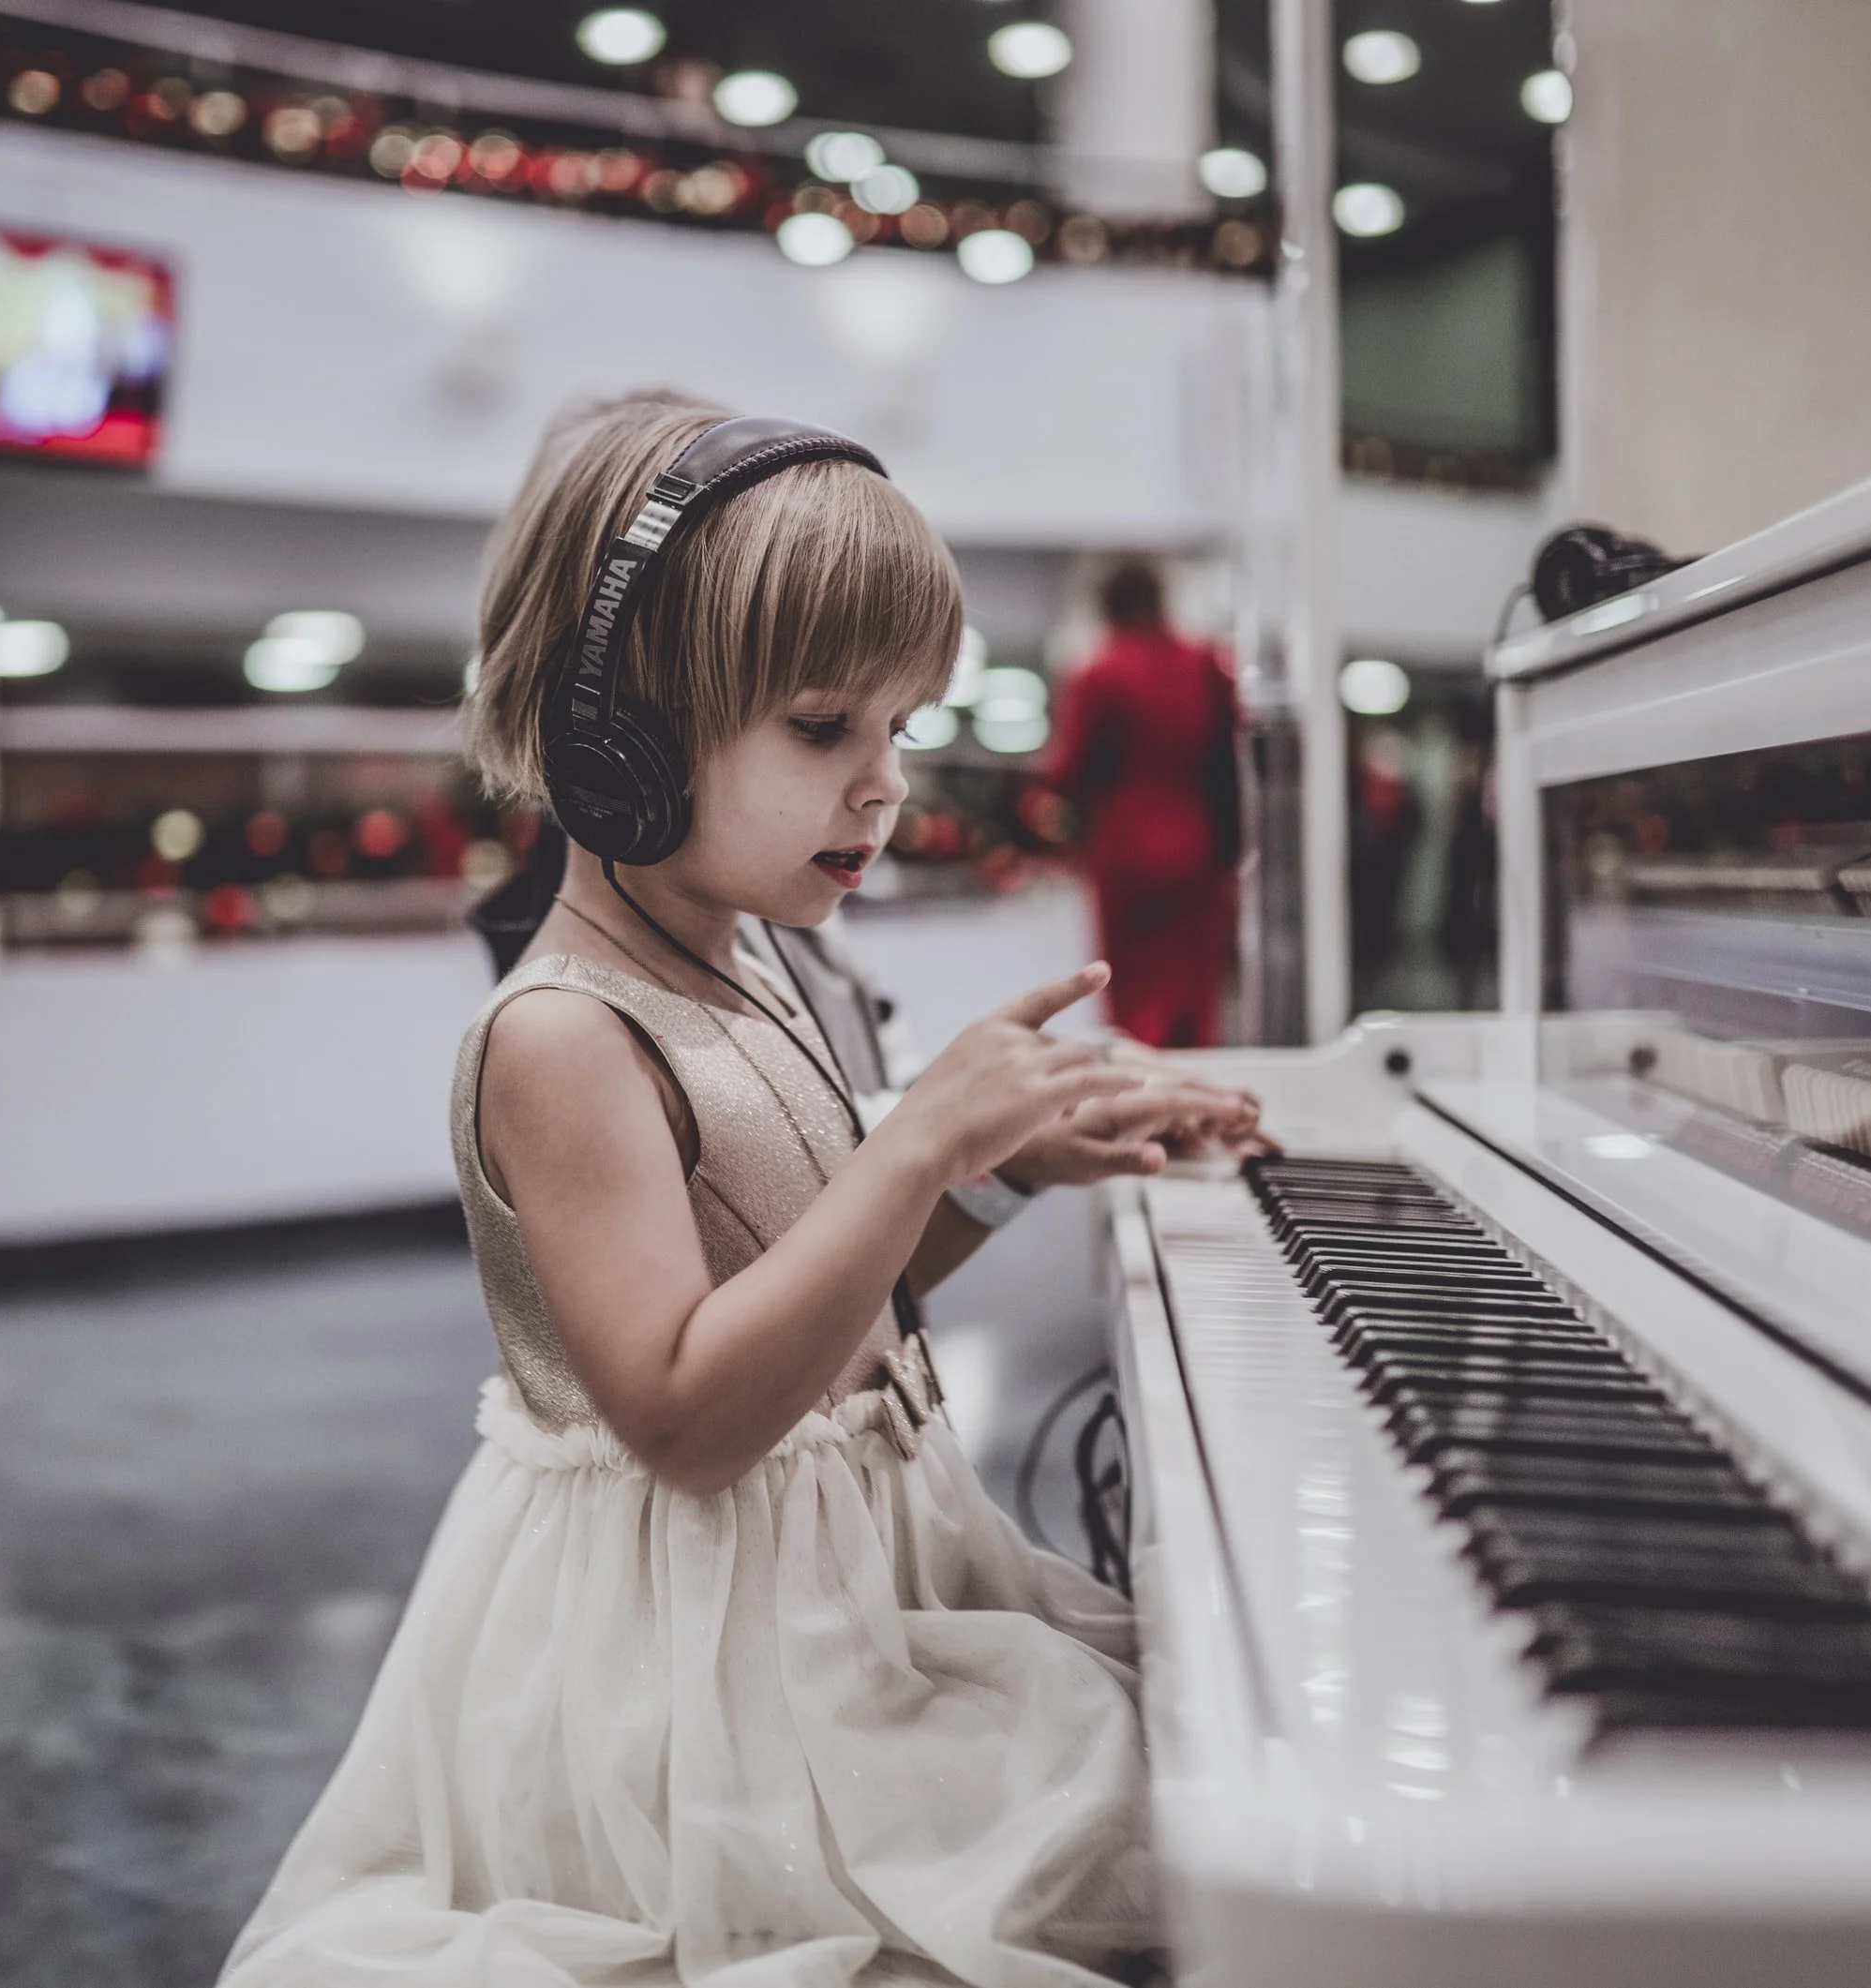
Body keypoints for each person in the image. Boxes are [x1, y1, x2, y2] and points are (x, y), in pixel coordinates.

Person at [220, 392, 1261, 1987]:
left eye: (902, 729)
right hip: (701, 1677)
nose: (885, 788)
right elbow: (690, 1413)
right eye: (825, 727)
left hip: (844, 1590)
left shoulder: (762, 959)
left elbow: (823, 1300)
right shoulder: (565, 1036)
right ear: (615, 739)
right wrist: (919, 1140)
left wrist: (999, 1176)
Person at [1049, 562, 1241, 1049]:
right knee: (1194, 992)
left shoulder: (1101, 671)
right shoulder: (1205, 664)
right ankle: (1194, 1107)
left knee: (1132, 998)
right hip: (1198, 850)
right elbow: (1229, 761)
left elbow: (1071, 770)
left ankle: (1139, 1104)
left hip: (1126, 851)